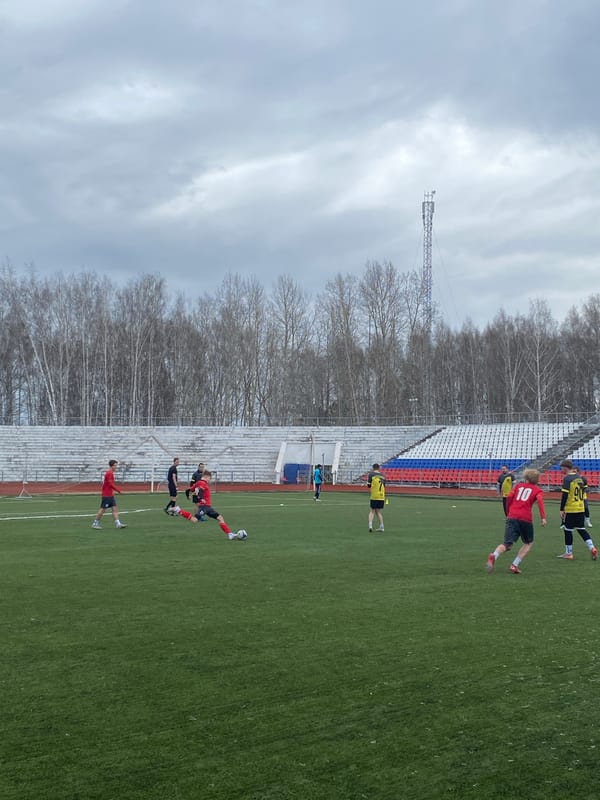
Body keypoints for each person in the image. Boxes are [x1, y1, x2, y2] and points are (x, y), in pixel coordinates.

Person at [486, 468, 546, 574]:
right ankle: (514, 565)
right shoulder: (537, 490)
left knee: (507, 544)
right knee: (528, 542)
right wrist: (543, 518)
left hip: (512, 516)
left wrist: (509, 511)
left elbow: (509, 497)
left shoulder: (518, 486)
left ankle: (494, 555)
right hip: (525, 518)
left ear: (526, 477)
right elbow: (540, 502)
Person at [173, 469, 241, 540]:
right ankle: (179, 510)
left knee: (220, 518)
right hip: (204, 507)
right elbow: (201, 491)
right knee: (194, 520)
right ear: (206, 476)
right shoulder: (202, 483)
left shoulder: (198, 483)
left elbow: (189, 490)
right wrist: (200, 498)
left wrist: (188, 495)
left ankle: (230, 534)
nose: (210, 480)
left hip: (208, 508)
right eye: (210, 478)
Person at [557, 459, 597, 560]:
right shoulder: (580, 478)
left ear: (565, 467)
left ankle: (569, 553)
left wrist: (562, 509)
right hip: (581, 507)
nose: (561, 469)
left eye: (562, 467)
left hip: (571, 508)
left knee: (568, 530)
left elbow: (565, 495)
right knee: (581, 529)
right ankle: (592, 547)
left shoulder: (567, 479)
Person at [92, 459, 127, 529]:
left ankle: (118, 524)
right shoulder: (109, 473)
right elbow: (111, 484)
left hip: (110, 495)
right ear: (111, 466)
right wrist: (119, 491)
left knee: (115, 509)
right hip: (106, 495)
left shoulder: (110, 473)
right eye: (115, 465)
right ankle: (95, 524)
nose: (116, 467)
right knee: (102, 510)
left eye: (116, 465)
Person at [367, 463, 386, 532]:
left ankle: (370, 525)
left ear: (373, 468)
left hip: (374, 495)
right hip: (381, 496)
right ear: (379, 468)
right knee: (378, 512)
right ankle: (382, 526)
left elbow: (368, 485)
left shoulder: (371, 474)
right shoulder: (383, 476)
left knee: (372, 511)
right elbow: (384, 485)